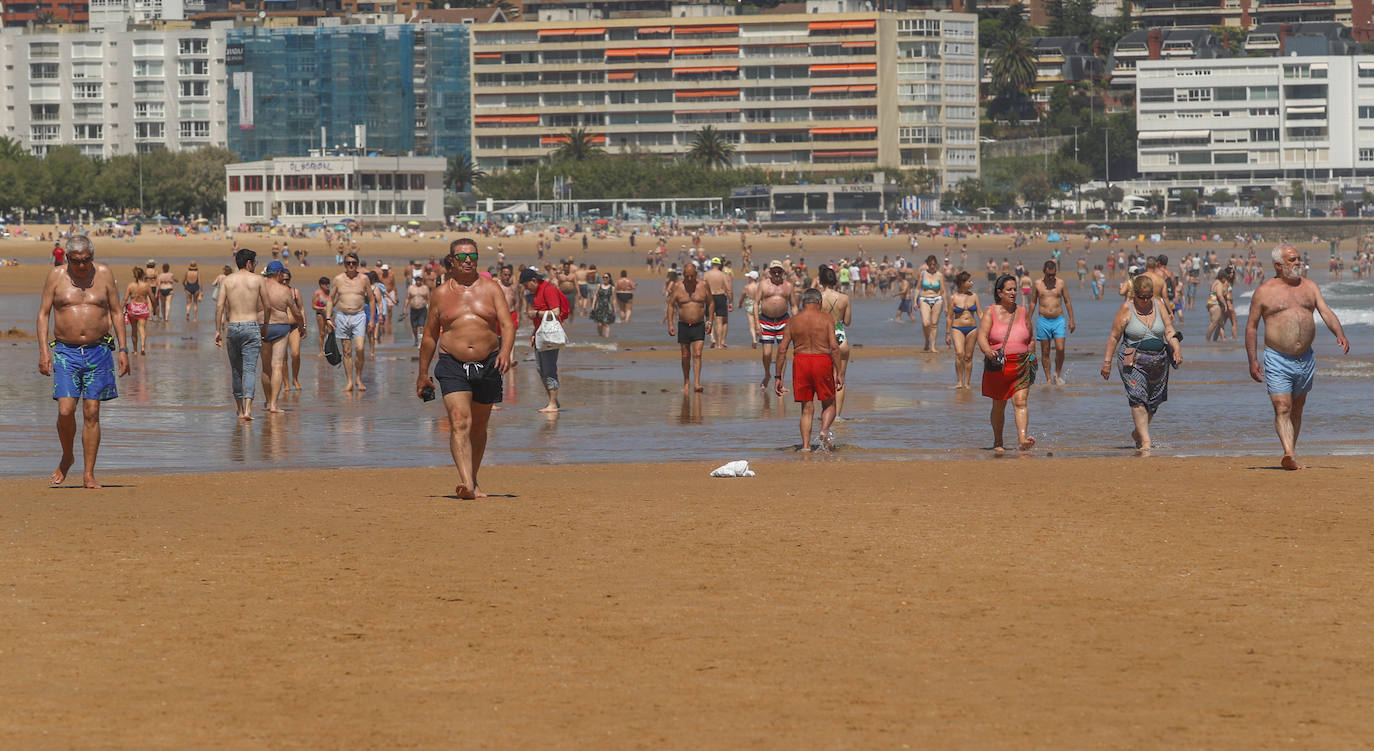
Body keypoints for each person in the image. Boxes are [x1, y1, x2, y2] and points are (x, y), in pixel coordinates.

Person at [416, 241, 514, 499]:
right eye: (463, 256)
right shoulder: (439, 294)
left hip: (489, 362)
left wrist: (505, 352)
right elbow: (428, 336)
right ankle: (467, 483)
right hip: (452, 363)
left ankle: (473, 478)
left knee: (479, 426)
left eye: (473, 255)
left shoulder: (491, 288)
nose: (469, 260)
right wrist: (422, 373)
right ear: (452, 261)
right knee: (459, 421)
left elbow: (507, 324)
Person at [36, 236, 130, 488]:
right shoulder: (56, 277)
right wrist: (44, 351)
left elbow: (115, 312)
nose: (82, 266)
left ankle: (89, 473)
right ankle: (67, 456)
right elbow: (44, 314)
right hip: (66, 352)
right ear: (68, 258)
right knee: (65, 410)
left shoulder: (104, 274)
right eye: (76, 261)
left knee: (92, 411)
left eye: (86, 260)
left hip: (98, 350)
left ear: (92, 256)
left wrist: (123, 349)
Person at [1245, 244, 1349, 470]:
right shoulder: (1265, 291)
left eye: (1298, 258)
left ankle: (1291, 450)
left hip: (1306, 358)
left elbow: (1325, 311)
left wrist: (1339, 333)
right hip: (1277, 357)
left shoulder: (1309, 287)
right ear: (1278, 266)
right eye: (1292, 260)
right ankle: (1289, 454)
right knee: (1282, 406)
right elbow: (1252, 327)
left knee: (1298, 407)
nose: (1297, 263)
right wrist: (1253, 359)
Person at [1099, 275, 1183, 453]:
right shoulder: (1126, 309)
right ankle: (1146, 442)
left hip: (1159, 360)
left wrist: (1176, 348)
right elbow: (1114, 337)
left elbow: (1169, 330)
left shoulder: (1158, 304)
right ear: (1134, 294)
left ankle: (1138, 432)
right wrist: (1107, 362)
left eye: (1148, 296)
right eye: (1142, 297)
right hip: (1133, 361)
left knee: (1153, 402)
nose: (1145, 300)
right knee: (1137, 397)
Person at [774, 288, 843, 452]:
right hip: (822, 361)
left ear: (803, 302)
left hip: (801, 362)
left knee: (806, 407)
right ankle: (824, 431)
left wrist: (778, 376)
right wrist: (839, 372)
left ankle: (805, 447)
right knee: (830, 403)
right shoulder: (827, 319)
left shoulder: (792, 321)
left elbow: (782, 350)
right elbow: (834, 347)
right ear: (819, 302)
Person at [978, 274, 1037, 454]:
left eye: (1015, 289)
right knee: (999, 404)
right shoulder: (990, 311)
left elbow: (1031, 338)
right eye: (1009, 290)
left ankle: (1022, 439)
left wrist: (1033, 358)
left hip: (1021, 364)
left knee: (1020, 401)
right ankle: (998, 441)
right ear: (999, 292)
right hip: (999, 365)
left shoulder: (1023, 311)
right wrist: (987, 350)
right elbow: (982, 336)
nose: (1013, 293)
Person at [215, 248, 270, 420]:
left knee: (236, 371)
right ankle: (247, 410)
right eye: (254, 262)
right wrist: (266, 325)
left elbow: (219, 306)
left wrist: (218, 330)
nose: (255, 265)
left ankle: (239, 410)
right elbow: (267, 306)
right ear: (249, 263)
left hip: (233, 326)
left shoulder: (227, 280)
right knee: (250, 370)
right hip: (251, 325)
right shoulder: (258, 279)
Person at [325, 252, 376, 393]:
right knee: (347, 351)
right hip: (342, 316)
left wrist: (372, 319)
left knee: (359, 348)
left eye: (354, 263)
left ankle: (359, 378)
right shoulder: (338, 279)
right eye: (348, 263)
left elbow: (371, 299)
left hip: (359, 315)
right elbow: (330, 299)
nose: (351, 265)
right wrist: (328, 317)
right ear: (345, 264)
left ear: (357, 264)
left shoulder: (364, 279)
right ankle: (349, 382)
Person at [521, 266, 570, 413]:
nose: (526, 289)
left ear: (534, 280)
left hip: (550, 336)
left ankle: (553, 404)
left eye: (526, 285)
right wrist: (534, 333)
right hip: (540, 334)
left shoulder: (548, 289)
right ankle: (553, 400)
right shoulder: (536, 292)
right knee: (540, 369)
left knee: (549, 369)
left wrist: (535, 313)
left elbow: (556, 312)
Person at [260, 261, 303, 413]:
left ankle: (267, 401)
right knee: (277, 365)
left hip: (262, 327)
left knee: (265, 368)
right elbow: (296, 312)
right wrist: (302, 326)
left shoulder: (259, 288)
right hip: (280, 327)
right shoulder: (284, 290)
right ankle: (274, 405)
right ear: (279, 274)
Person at [668, 262, 714, 393]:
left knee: (698, 354)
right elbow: (671, 305)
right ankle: (687, 382)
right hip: (683, 325)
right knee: (685, 355)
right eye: (687, 276)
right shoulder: (677, 287)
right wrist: (670, 324)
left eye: (692, 276)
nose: (689, 279)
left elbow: (711, 303)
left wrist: (710, 321)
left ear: (696, 274)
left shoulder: (703, 285)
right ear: (683, 275)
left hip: (699, 324)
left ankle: (697, 383)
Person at [1028, 260, 1075, 385]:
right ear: (1044, 272)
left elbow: (1067, 301)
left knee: (1060, 348)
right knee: (1045, 351)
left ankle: (1057, 375)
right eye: (1049, 275)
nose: (1051, 277)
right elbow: (1033, 302)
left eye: (1053, 274)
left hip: (1058, 320)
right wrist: (1027, 320)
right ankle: (1048, 378)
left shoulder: (1060, 283)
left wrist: (1072, 320)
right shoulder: (1037, 284)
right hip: (1043, 320)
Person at [753, 260, 796, 391]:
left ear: (783, 272)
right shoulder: (763, 285)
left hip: (784, 321)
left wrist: (796, 322)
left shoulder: (788, 286)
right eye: (774, 271)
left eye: (779, 271)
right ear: (770, 272)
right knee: (767, 353)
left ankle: (780, 380)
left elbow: (793, 305)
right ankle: (767, 374)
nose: (777, 274)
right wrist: (756, 323)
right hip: (766, 320)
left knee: (782, 352)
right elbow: (756, 303)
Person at [817, 265, 852, 415]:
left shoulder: (818, 297)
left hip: (824, 339)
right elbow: (848, 321)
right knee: (840, 379)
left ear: (821, 281)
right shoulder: (844, 298)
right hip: (841, 338)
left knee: (825, 380)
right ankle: (837, 416)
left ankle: (827, 413)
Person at [945, 271, 980, 390]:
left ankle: (967, 383)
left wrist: (988, 328)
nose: (972, 283)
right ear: (962, 283)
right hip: (957, 328)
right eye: (969, 281)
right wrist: (947, 334)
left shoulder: (974, 296)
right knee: (960, 354)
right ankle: (959, 382)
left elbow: (980, 313)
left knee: (969, 356)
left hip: (972, 328)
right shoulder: (953, 297)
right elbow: (949, 316)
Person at [121, 266, 154, 356]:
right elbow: (152, 298)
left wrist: (120, 309)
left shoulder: (130, 285)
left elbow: (125, 298)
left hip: (133, 308)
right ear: (143, 274)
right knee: (142, 328)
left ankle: (135, 350)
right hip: (142, 307)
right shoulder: (146, 285)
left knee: (134, 330)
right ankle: (143, 347)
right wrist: (155, 308)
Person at [281, 269, 304, 391]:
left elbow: (302, 309)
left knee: (295, 354)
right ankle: (286, 383)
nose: (285, 281)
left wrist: (303, 325)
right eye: (283, 279)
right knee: (283, 357)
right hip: (281, 326)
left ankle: (295, 379)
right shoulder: (277, 292)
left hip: (294, 326)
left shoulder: (295, 292)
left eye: (287, 279)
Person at [916, 255, 945, 352]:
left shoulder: (940, 275)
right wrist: (915, 301)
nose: (932, 266)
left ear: (936, 264)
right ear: (927, 264)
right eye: (930, 264)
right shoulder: (923, 274)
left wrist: (947, 306)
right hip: (924, 299)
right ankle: (926, 340)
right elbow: (917, 288)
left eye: (934, 264)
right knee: (926, 323)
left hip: (937, 299)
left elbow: (943, 291)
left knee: (934, 323)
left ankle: (933, 346)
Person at [703, 256, 732, 348]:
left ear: (712, 264)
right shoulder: (722, 275)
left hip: (710, 296)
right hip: (720, 296)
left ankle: (712, 338)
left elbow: (703, 286)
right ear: (719, 265)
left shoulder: (706, 274)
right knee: (719, 321)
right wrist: (730, 301)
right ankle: (719, 344)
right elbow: (728, 289)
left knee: (709, 318)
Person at [1205, 267, 1233, 342]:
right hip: (1215, 304)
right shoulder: (1219, 284)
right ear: (1222, 277)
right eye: (1225, 278)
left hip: (1211, 303)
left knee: (1221, 323)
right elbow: (1220, 295)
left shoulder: (1215, 282)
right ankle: (1207, 340)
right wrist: (1225, 304)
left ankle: (1220, 339)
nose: (1226, 280)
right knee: (1214, 323)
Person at [406, 271, 431, 346]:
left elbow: (428, 299)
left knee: (421, 325)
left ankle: (421, 341)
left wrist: (430, 308)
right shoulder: (411, 288)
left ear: (422, 280)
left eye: (420, 280)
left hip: (422, 309)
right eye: (417, 280)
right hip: (413, 309)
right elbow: (408, 298)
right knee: (414, 327)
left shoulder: (425, 288)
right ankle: (416, 339)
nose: (418, 281)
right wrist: (405, 308)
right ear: (415, 280)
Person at [738, 269, 760, 348]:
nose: (748, 279)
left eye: (749, 277)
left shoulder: (747, 287)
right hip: (758, 305)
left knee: (751, 325)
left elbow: (742, 297)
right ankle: (759, 336)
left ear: (751, 278)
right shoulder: (759, 286)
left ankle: (754, 340)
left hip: (750, 305)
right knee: (758, 322)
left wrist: (740, 304)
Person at [590, 271, 616, 338]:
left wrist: (614, 309)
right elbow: (595, 296)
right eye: (603, 277)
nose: (604, 278)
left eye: (606, 277)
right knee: (599, 324)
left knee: (607, 324)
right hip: (599, 306)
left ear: (609, 278)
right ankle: (600, 336)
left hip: (607, 306)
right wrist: (593, 305)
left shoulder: (612, 288)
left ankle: (606, 338)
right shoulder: (599, 286)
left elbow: (613, 299)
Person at [312, 277, 330, 353]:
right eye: (325, 284)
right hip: (320, 314)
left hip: (330, 314)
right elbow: (313, 306)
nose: (327, 286)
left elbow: (333, 303)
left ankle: (329, 349)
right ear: (321, 285)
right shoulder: (317, 293)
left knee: (330, 331)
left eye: (328, 284)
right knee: (322, 333)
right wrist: (322, 308)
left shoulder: (330, 292)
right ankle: (321, 351)